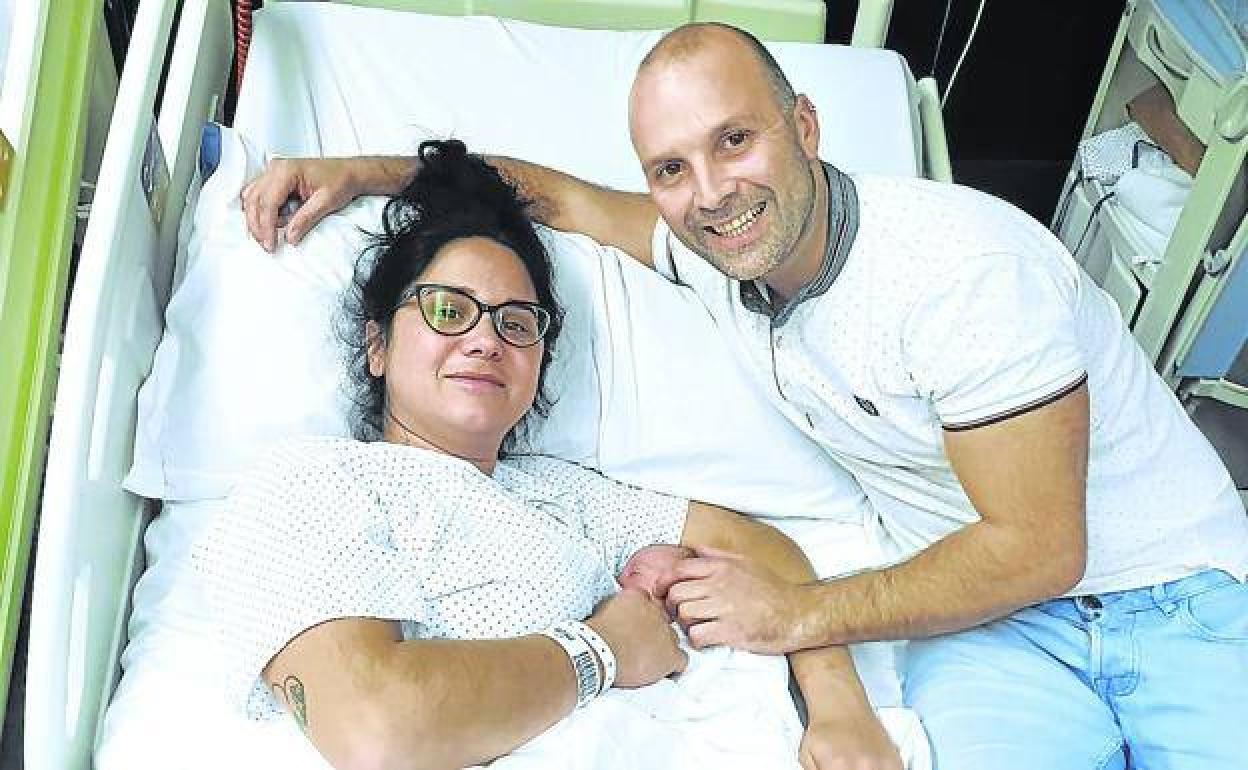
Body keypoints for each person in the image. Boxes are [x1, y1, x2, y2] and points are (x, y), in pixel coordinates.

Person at [240, 21, 1248, 769]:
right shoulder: (716, 257)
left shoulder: (961, 273)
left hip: (1175, 592)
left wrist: (808, 635)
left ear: (804, 125)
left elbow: (1037, 546)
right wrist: (366, 170)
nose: (712, 191)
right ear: (375, 343)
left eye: (736, 141)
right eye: (671, 168)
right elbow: (556, 198)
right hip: (990, 624)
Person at [202, 138, 903, 770]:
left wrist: (841, 708)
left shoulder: (560, 494)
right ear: (377, 343)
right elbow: (374, 729)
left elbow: (762, 549)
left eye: (516, 323)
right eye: (449, 311)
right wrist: (602, 651)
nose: (484, 341)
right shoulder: (314, 481)